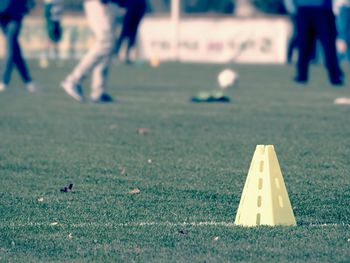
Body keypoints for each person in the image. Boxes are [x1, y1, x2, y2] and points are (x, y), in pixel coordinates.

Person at [61, 0, 120, 103]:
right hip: (99, 3)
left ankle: (98, 91)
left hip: (111, 3)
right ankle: (73, 80)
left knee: (108, 43)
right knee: (105, 42)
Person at [293, 0, 344, 86]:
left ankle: (335, 76)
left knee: (328, 45)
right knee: (304, 45)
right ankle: (301, 75)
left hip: (322, 9)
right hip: (306, 8)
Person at [0, 0, 38, 92]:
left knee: (10, 47)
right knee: (14, 50)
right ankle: (28, 81)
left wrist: (26, 7)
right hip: (2, 16)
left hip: (15, 15)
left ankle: (4, 81)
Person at [113, 0, 147, 64]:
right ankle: (116, 53)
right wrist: (122, 6)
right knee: (124, 32)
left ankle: (128, 55)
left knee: (133, 33)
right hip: (129, 7)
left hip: (139, 7)